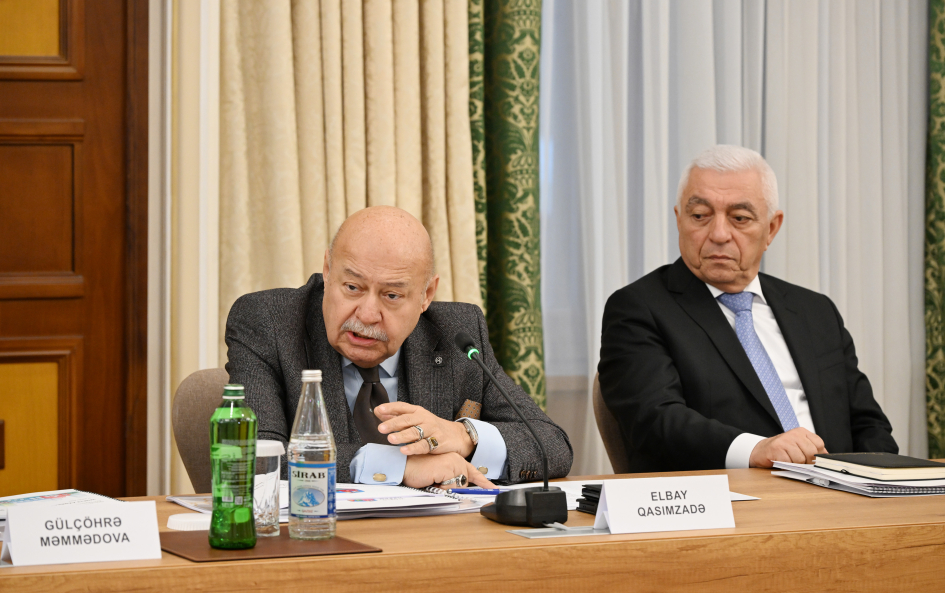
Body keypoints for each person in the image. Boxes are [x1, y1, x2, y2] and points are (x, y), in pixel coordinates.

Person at [598, 145, 897, 473]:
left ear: (771, 228)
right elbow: (654, 421)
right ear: (679, 219)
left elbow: (869, 424)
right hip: (730, 494)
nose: (719, 234)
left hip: (840, 490)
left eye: (739, 218)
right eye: (700, 216)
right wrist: (756, 449)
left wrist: (878, 481)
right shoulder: (639, 309)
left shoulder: (815, 311)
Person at [226, 206, 572, 488]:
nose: (367, 314)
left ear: (426, 295)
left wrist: (464, 435)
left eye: (391, 295)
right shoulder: (269, 322)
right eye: (352, 287)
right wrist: (398, 467)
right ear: (328, 270)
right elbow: (254, 458)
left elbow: (551, 444)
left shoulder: (457, 332)